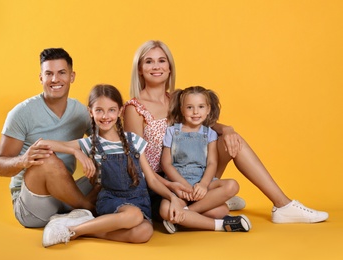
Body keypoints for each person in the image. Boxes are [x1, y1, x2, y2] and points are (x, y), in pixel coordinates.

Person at [124, 40, 329, 224]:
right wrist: (172, 186)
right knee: (219, 212)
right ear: (140, 69)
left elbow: (202, 122)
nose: (156, 66)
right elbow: (138, 164)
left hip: (194, 173)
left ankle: (283, 205)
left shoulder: (176, 100)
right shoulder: (135, 108)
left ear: (170, 67)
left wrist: (228, 130)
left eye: (162, 60)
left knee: (233, 141)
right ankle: (209, 202)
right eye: (149, 62)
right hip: (161, 182)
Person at [40, 84, 186, 247]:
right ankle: (71, 230)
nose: (105, 116)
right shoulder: (92, 143)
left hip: (140, 200)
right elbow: (44, 144)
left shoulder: (134, 140)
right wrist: (76, 152)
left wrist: (172, 197)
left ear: (120, 111)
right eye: (99, 110)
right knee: (135, 216)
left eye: (111, 110)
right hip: (111, 199)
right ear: (90, 112)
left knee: (144, 232)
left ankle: (88, 228)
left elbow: (151, 179)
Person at [0, 48, 99, 228]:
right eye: (49, 74)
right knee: (46, 157)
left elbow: (105, 142)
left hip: (65, 195)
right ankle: (91, 212)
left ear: (72, 76)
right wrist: (23, 160)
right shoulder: (22, 113)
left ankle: (71, 219)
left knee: (115, 165)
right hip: (33, 205)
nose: (55, 79)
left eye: (62, 73)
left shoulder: (81, 112)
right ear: (41, 78)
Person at [160, 86, 252, 233]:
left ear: (208, 109)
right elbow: (166, 164)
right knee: (165, 210)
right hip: (178, 185)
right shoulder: (172, 131)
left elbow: (212, 163)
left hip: (202, 184)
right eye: (190, 107)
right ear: (182, 109)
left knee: (230, 191)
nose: (196, 112)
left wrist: (202, 185)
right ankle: (217, 225)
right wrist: (184, 186)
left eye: (201, 107)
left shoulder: (209, 133)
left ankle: (184, 214)